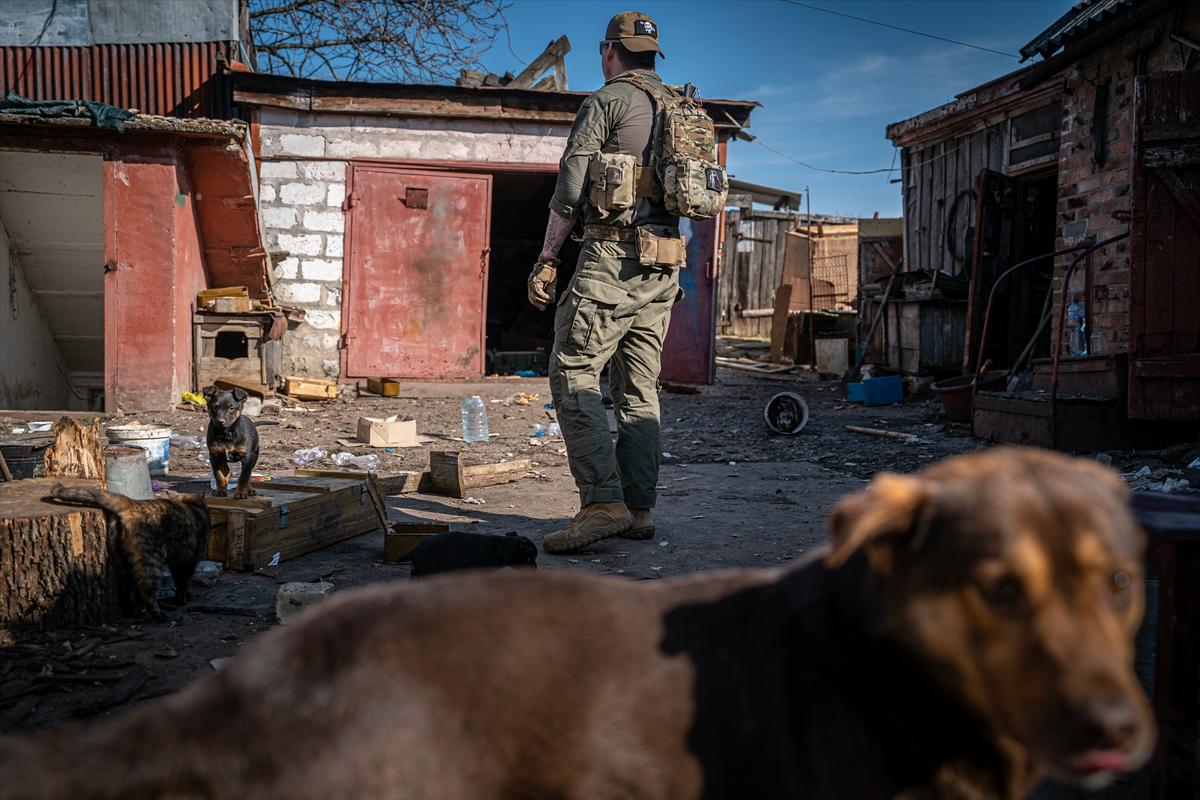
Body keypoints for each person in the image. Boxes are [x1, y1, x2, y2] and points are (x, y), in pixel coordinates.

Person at [528, 11, 687, 554]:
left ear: (608, 51)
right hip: (664, 266)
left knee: (571, 369)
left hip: (613, 260)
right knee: (639, 389)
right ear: (653, 55)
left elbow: (571, 190)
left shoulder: (606, 102)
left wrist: (548, 256)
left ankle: (602, 503)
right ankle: (639, 509)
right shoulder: (681, 106)